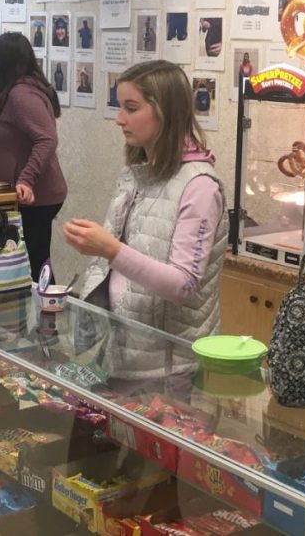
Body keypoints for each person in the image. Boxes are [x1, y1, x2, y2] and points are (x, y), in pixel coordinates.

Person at [64, 60, 228, 385]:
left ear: (164, 111)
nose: (119, 120)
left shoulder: (199, 187)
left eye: (131, 108)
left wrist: (111, 250)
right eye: (120, 107)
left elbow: (183, 284)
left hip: (169, 368)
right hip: (123, 353)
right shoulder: (138, 173)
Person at [0, 32, 66, 281]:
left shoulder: (21, 95)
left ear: (3, 62)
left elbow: (47, 138)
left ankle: (48, 313)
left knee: (34, 262)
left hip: (36, 197)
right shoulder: (12, 91)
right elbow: (1, 141)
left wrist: (26, 179)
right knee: (25, 261)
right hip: (22, 194)